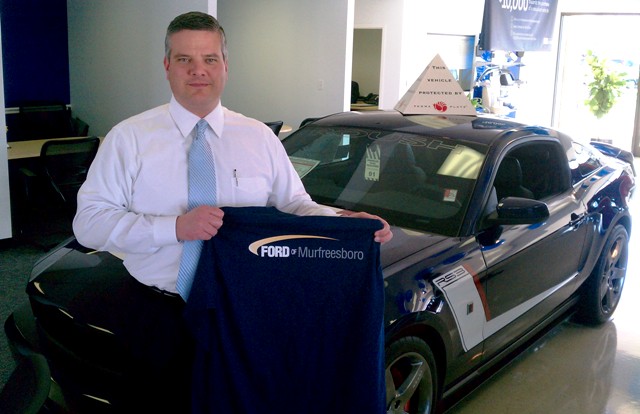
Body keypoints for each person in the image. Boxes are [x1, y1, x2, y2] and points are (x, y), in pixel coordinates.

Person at [72, 10, 392, 411]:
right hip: (155, 311)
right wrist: (174, 227)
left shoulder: (258, 138)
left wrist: (345, 224)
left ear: (226, 65)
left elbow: (294, 205)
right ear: (167, 66)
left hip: (243, 313)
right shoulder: (129, 138)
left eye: (209, 58)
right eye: (185, 59)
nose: (198, 70)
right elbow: (89, 223)